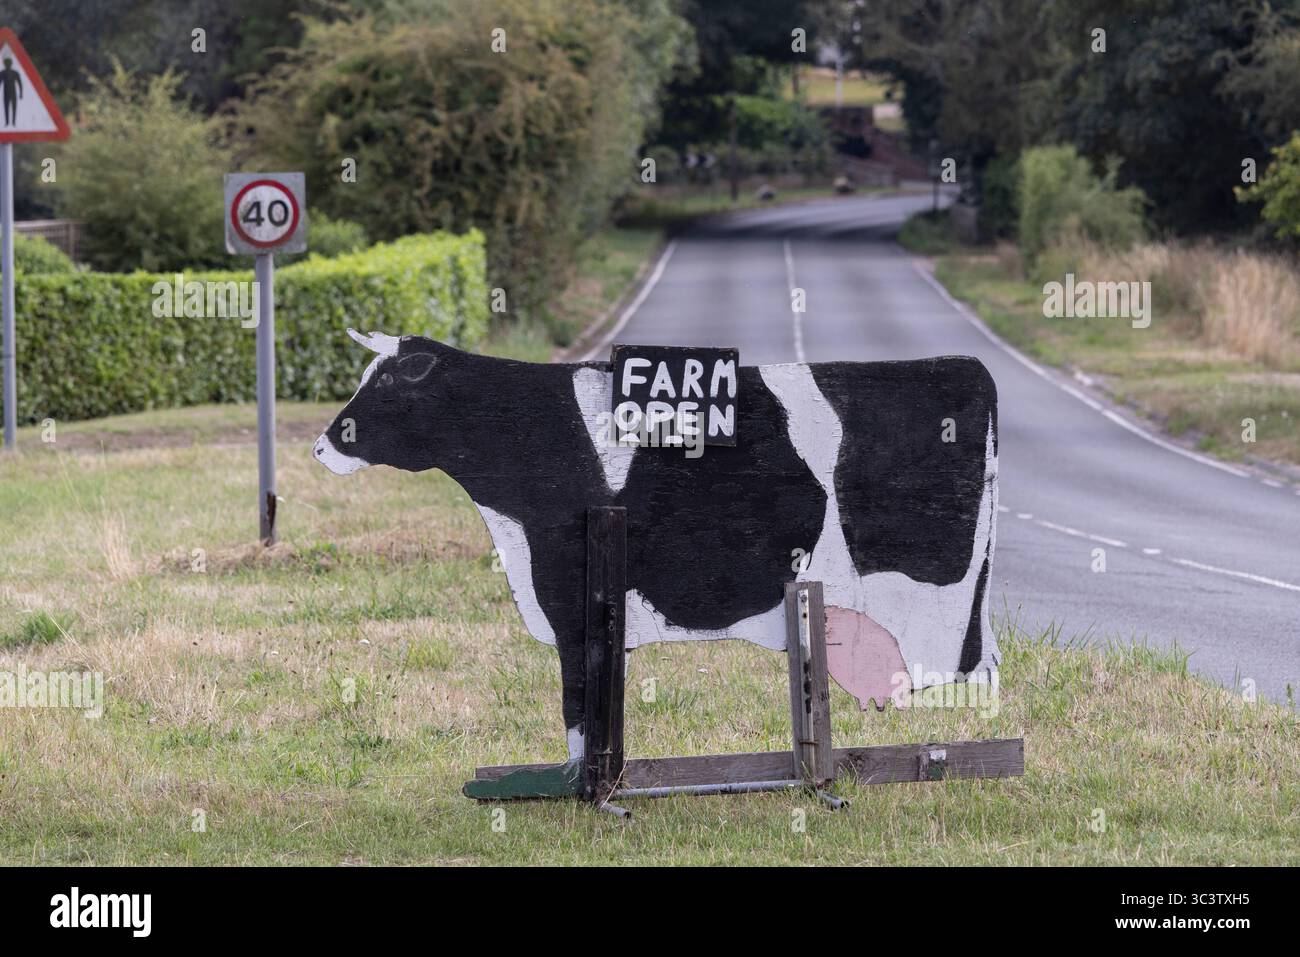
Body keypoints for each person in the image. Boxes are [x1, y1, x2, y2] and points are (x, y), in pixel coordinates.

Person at [1, 56, 23, 127]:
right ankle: (7, 123)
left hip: (13, 93)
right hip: (6, 93)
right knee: (6, 108)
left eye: (9, 63)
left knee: (14, 108)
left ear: (11, 64)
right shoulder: (2, 73)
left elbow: (20, 83)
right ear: (4, 64)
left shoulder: (15, 73)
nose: (8, 64)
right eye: (6, 63)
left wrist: (21, 93)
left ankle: (13, 122)